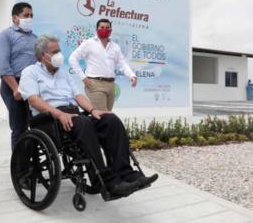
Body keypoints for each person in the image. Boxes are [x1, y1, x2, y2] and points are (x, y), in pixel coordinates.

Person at [19, 35, 157, 197]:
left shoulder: (63, 73)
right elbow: (34, 100)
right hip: (49, 119)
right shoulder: (30, 72)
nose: (59, 55)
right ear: (43, 55)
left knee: (110, 120)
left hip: (74, 116)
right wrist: (60, 114)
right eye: (55, 52)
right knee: (84, 123)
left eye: (59, 51)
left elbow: (78, 96)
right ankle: (106, 180)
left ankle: (127, 173)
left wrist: (93, 110)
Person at [69, 19, 137, 111]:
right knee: (103, 115)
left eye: (107, 28)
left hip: (111, 85)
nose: (105, 29)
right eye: (102, 27)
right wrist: (83, 78)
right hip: (95, 84)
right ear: (97, 29)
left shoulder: (115, 46)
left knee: (107, 117)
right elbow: (72, 58)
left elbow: (122, 64)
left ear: (111, 30)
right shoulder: (89, 43)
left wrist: (132, 76)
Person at [0, 2, 37, 149]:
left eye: (31, 15)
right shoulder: (5, 36)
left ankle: (33, 166)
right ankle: (20, 170)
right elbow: (3, 65)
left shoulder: (35, 38)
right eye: (26, 15)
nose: (30, 18)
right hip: (13, 84)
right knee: (19, 128)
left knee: (36, 127)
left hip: (33, 85)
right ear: (15, 18)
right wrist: (15, 88)